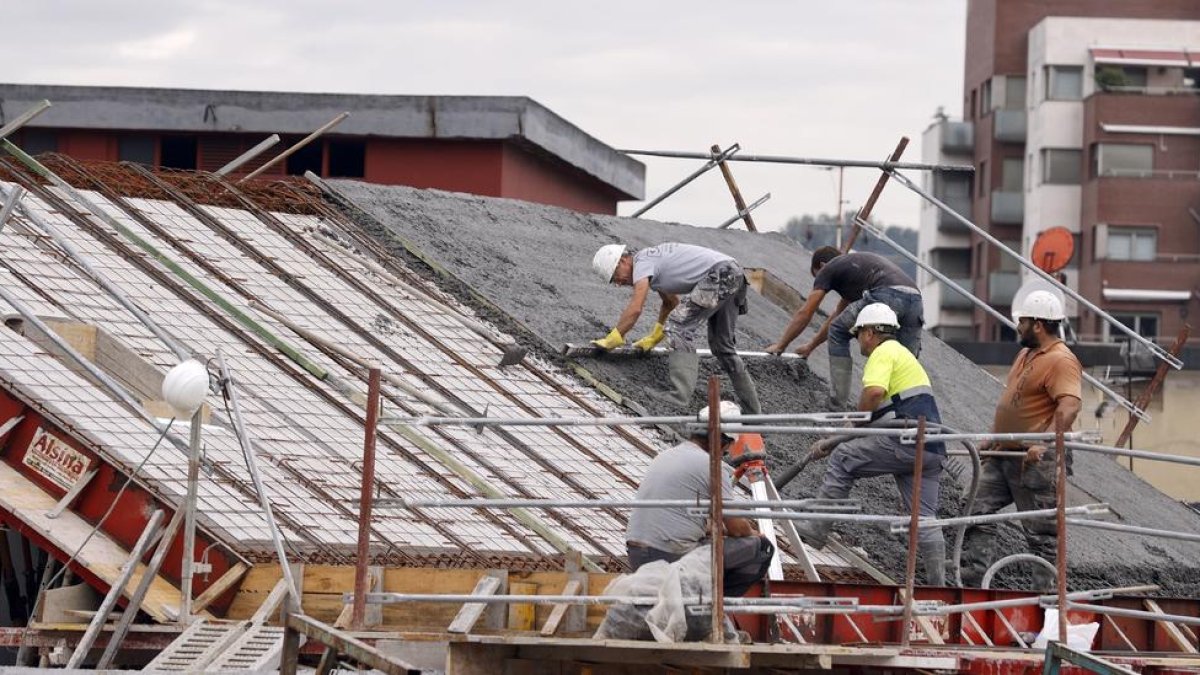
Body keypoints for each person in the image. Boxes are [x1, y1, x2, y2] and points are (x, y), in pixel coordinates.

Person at [796, 303, 947, 586]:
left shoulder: (883, 352)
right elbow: (889, 411)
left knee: (843, 457)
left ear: (869, 332)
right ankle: (939, 585)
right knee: (925, 517)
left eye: (858, 335)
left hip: (906, 441)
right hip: (932, 448)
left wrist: (852, 425)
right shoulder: (904, 356)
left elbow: (874, 392)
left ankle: (815, 529)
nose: (858, 342)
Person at [960, 291, 1082, 590]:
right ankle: (973, 583)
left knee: (1042, 533)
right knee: (975, 507)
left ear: (1038, 325)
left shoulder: (1061, 360)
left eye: (1023, 322)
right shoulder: (1026, 354)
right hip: (1005, 453)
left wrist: (1046, 442)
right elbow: (1014, 403)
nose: (1018, 327)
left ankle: (1046, 602)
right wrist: (994, 437)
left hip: (1035, 459)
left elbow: (1070, 406)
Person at [625, 401, 775, 597]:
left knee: (709, 538)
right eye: (728, 446)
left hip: (636, 553)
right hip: (670, 556)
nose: (725, 453)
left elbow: (684, 519)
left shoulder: (666, 455)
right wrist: (754, 533)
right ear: (724, 441)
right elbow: (738, 529)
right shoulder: (712, 466)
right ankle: (711, 606)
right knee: (762, 548)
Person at [591, 242, 761, 413]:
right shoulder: (653, 262)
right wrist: (656, 334)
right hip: (733, 273)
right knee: (722, 346)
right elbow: (670, 302)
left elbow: (636, 307)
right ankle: (753, 413)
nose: (618, 283)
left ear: (622, 261)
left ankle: (679, 396)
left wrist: (615, 336)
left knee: (678, 327)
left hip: (719, 274)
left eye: (615, 277)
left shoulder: (641, 263)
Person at [766, 247, 923, 409]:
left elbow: (806, 312)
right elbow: (838, 318)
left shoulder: (830, 268)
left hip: (886, 293)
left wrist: (781, 345)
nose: (820, 282)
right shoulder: (856, 272)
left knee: (840, 333)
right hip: (915, 299)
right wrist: (810, 347)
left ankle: (837, 404)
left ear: (822, 265)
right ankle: (902, 411)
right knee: (905, 356)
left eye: (817, 276)